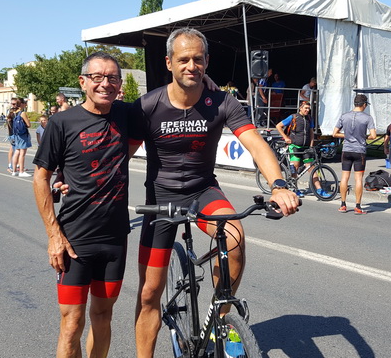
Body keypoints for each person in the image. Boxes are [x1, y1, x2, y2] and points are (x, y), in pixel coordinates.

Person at [132, 28, 299, 358]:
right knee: (150, 292)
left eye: (198, 58)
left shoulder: (222, 102)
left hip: (203, 190)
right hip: (160, 199)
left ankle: (220, 320)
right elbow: (117, 157)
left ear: (207, 61)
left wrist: (279, 185)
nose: (191, 65)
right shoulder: (148, 106)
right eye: (183, 59)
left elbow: (255, 142)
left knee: (235, 235)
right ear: (169, 62)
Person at [32, 52, 134, 358]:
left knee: (103, 318)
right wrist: (54, 236)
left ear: (120, 84)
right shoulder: (61, 122)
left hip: (115, 239)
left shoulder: (128, 115)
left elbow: (169, 97)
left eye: (112, 78)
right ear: (83, 82)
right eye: (97, 77)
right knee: (71, 323)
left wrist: (209, 83)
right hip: (74, 239)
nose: (105, 84)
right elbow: (40, 178)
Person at [332, 94, 377, 214]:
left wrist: (346, 135)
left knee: (344, 177)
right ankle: (357, 206)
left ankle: (343, 204)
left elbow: (335, 133)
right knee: (358, 179)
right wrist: (364, 136)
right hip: (359, 151)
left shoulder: (344, 116)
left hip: (346, 150)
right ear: (364, 105)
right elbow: (373, 136)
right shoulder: (368, 118)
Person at [275, 101, 330, 198]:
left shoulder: (309, 118)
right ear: (300, 108)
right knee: (295, 167)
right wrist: (286, 138)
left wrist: (311, 145)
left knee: (312, 168)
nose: (307, 110)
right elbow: (278, 126)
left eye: (308, 108)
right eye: (305, 108)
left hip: (306, 148)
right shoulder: (293, 117)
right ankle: (295, 189)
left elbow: (311, 133)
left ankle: (319, 190)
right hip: (295, 147)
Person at [11, 98, 32, 177]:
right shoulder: (22, 113)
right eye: (25, 103)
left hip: (16, 134)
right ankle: (21, 171)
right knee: (22, 153)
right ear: (22, 104)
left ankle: (14, 171)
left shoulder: (14, 112)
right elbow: (29, 125)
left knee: (17, 152)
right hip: (23, 135)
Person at [6, 98, 19, 173]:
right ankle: (10, 166)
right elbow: (9, 123)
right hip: (13, 134)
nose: (13, 105)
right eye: (12, 104)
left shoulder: (17, 112)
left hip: (16, 133)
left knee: (16, 150)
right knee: (14, 149)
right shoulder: (11, 112)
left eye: (14, 104)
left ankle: (16, 165)